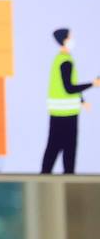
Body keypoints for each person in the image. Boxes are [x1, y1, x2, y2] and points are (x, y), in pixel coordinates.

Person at [41, 27, 100, 174]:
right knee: (65, 148)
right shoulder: (65, 61)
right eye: (70, 37)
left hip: (63, 112)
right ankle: (62, 175)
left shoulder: (63, 59)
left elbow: (68, 86)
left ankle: (50, 174)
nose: (72, 40)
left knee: (58, 146)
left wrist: (81, 101)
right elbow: (69, 88)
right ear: (64, 40)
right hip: (65, 114)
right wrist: (93, 84)